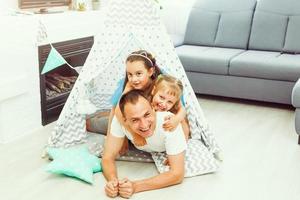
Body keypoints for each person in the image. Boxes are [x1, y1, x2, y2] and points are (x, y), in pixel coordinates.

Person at [102, 90, 187, 198]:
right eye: (135, 120)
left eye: (147, 114)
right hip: (126, 132)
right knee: (93, 124)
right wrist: (113, 182)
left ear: (153, 108)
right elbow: (107, 157)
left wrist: (136, 186)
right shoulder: (119, 122)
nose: (144, 124)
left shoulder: (169, 122)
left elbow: (177, 174)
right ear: (125, 120)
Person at [131, 74, 190, 146]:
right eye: (161, 97)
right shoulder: (145, 102)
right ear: (153, 90)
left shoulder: (172, 111)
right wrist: (136, 135)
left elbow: (182, 111)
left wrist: (176, 119)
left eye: (169, 102)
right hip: (146, 138)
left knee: (183, 120)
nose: (163, 104)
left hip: (163, 140)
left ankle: (182, 145)